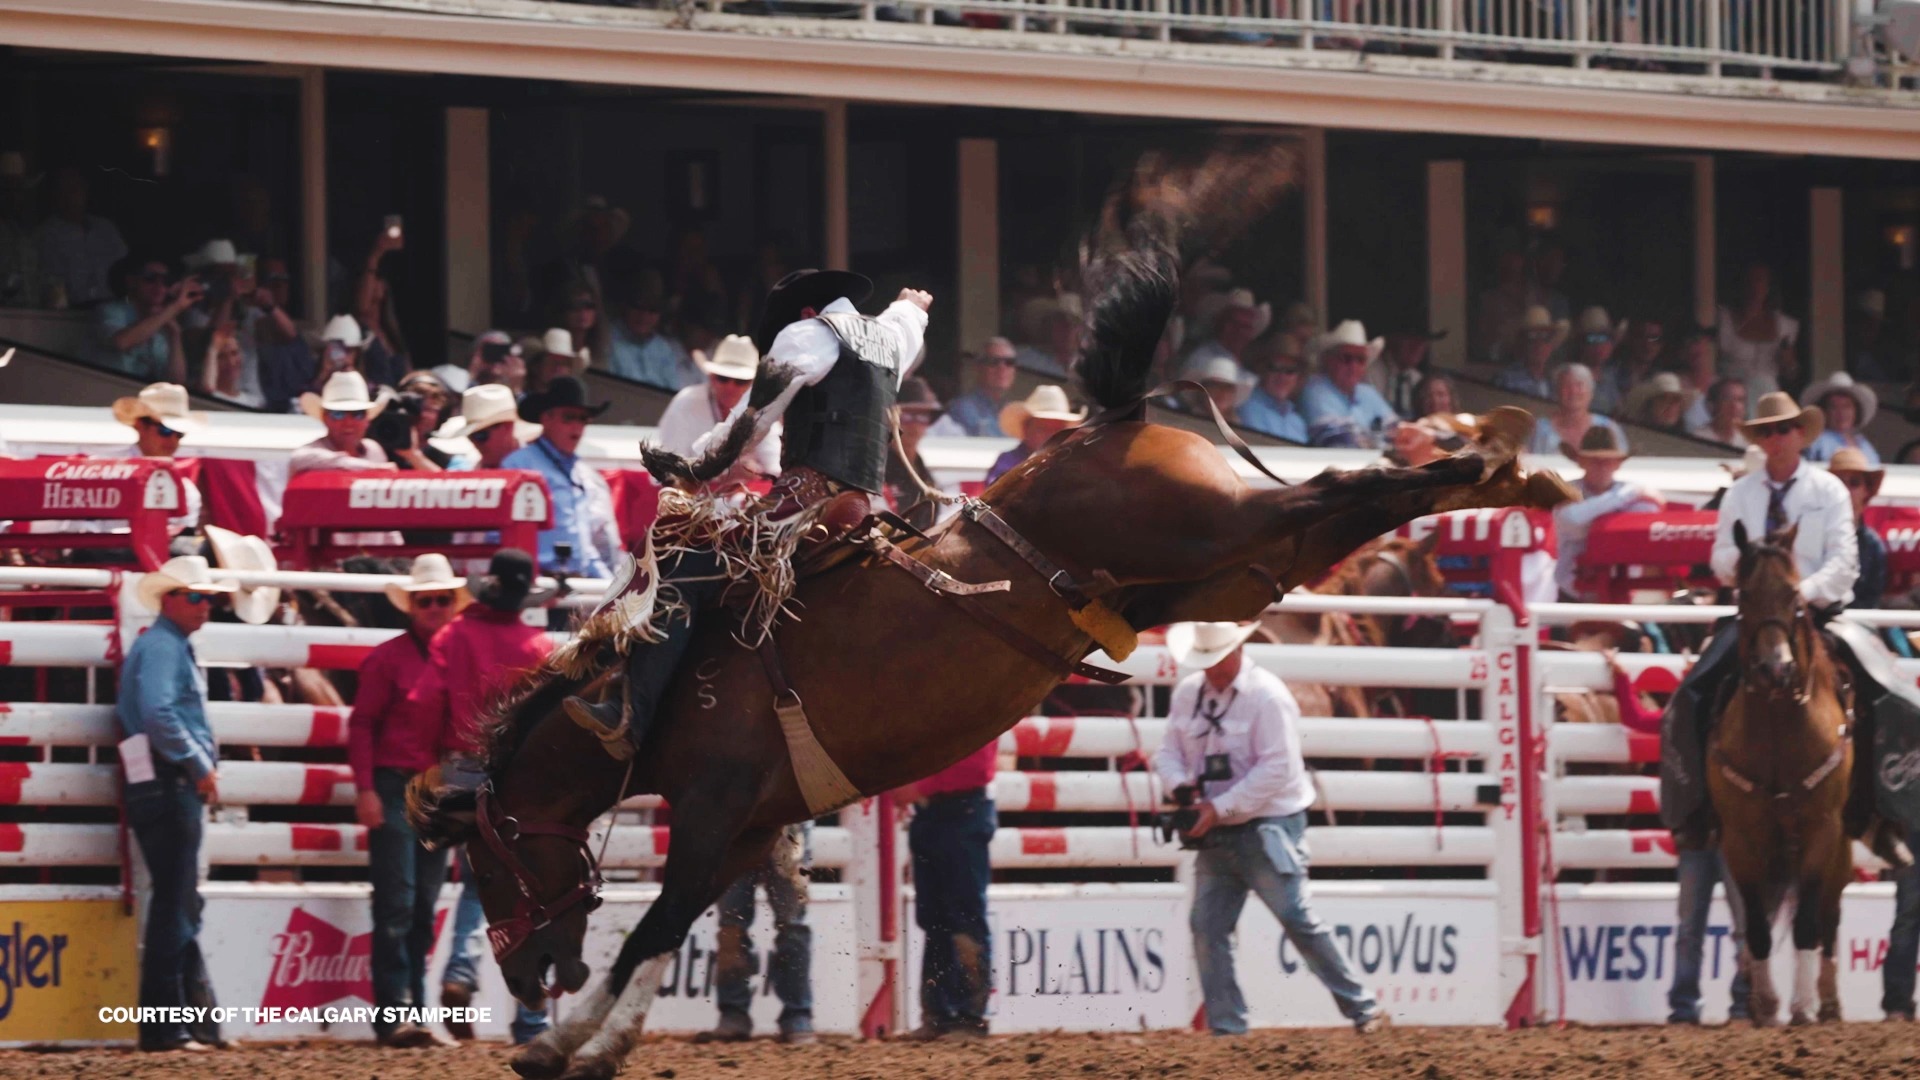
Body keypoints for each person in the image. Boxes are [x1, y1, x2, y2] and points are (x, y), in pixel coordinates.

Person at [564, 268, 929, 746]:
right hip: (863, 508)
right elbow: (906, 320)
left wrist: (691, 468)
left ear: (805, 312)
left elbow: (750, 424)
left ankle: (630, 716)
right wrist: (911, 307)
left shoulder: (808, 333)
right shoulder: (891, 337)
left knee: (679, 565)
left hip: (807, 504)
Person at [1151, 621, 1387, 1036]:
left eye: (1215, 658)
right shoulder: (1190, 694)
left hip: (1266, 825)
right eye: (1204, 660)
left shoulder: (1267, 696)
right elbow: (1168, 752)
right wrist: (1181, 786)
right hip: (1221, 827)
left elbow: (1278, 769)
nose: (1210, 668)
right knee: (1208, 927)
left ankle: (1363, 1009)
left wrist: (1216, 807)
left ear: (1237, 651)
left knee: (1295, 917)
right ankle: (1228, 1029)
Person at [435, 548, 556, 1044]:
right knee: (536, 890)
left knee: (476, 882)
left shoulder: (454, 637)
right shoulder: (539, 648)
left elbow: (434, 700)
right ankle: (532, 1017)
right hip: (520, 774)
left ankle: (461, 969)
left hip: (462, 765)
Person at [118, 556, 236, 1052]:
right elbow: (160, 713)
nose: (205, 605)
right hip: (168, 783)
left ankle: (193, 1022)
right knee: (176, 902)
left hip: (157, 780)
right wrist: (197, 763)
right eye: (195, 596)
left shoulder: (163, 644)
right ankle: (167, 1026)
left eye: (208, 597)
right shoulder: (167, 647)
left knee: (178, 900)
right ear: (169, 599)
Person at [349, 555, 462, 1049]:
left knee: (422, 905)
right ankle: (396, 1011)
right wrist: (366, 789)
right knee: (399, 903)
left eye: (441, 600)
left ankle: (413, 1009)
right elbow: (362, 725)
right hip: (396, 787)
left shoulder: (452, 659)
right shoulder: (388, 659)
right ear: (412, 606)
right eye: (425, 601)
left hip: (434, 791)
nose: (434, 607)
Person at [895, 739, 999, 1042]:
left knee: (958, 916)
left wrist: (918, 786)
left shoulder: (976, 715)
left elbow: (975, 767)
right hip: (949, 811)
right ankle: (947, 1015)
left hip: (954, 810)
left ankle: (964, 1017)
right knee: (940, 917)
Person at [697, 823, 816, 1046]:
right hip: (742, 824)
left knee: (788, 924)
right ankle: (793, 1015)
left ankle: (743, 1013)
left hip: (770, 823)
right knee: (735, 926)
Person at [501, 375, 620, 581]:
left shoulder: (584, 474)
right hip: (536, 583)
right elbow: (499, 535)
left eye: (583, 419)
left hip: (579, 583)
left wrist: (612, 587)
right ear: (546, 418)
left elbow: (585, 546)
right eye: (569, 417)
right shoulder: (518, 465)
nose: (577, 426)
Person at [1552, 427, 1664, 600]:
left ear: (1618, 464)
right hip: (1571, 594)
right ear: (1580, 462)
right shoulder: (1565, 491)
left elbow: (1641, 526)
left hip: (1621, 593)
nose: (1602, 466)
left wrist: (1597, 516)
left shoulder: (1635, 494)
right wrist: (1626, 495)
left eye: (1608, 461)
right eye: (1594, 460)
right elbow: (1573, 520)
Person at [654, 335, 779, 479]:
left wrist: (756, 471)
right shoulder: (686, 402)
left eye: (740, 381)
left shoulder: (760, 409)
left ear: (753, 384)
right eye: (723, 378)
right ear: (712, 377)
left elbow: (774, 464)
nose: (730, 387)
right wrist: (726, 474)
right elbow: (669, 469)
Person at [109, 382, 207, 534]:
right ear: (140, 425)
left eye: (180, 434)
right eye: (165, 430)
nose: (173, 440)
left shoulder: (186, 490)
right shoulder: (107, 470)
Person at [35, 165, 126, 307]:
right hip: (71, 312)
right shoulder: (46, 234)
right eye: (62, 190)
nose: (69, 196)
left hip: (112, 307)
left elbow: (125, 268)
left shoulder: (106, 229)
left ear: (85, 191)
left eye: (74, 189)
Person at [1301, 320, 1399, 449]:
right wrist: (1379, 440)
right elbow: (1341, 444)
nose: (1354, 366)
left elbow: (1400, 436)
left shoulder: (1367, 392)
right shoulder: (1314, 390)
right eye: (1346, 358)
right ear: (1327, 360)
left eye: (1360, 360)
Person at [95, 256, 195, 381]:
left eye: (166, 281)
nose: (159, 285)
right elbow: (121, 342)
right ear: (131, 281)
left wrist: (175, 334)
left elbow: (176, 381)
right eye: (150, 278)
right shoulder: (110, 310)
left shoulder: (160, 327)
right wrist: (175, 307)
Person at [291, 371, 403, 475]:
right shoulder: (308, 453)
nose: (348, 422)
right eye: (338, 414)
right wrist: (371, 468)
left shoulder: (373, 450)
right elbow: (299, 459)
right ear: (325, 418)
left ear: (367, 420)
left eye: (358, 414)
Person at [1720, 262, 1800, 403]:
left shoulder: (1784, 325)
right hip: (1732, 396)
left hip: (1767, 396)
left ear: (1768, 287)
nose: (1754, 287)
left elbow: (1791, 373)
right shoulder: (1724, 319)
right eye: (1750, 281)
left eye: (1760, 281)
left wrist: (1788, 362)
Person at [608, 271, 696, 389]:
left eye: (652, 310)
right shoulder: (607, 340)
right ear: (625, 306)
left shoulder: (663, 349)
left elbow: (672, 391)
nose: (644, 316)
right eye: (638, 307)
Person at [987, 384, 1086, 484]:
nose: (1051, 435)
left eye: (1057, 430)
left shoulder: (1073, 464)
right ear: (1026, 429)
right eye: (1043, 429)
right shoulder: (1007, 463)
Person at [884, 377, 946, 531]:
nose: (915, 425)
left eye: (922, 416)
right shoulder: (878, 468)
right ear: (891, 418)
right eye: (907, 416)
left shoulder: (925, 474)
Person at [1529, 363, 1626, 456]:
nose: (1573, 391)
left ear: (1591, 393)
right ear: (1557, 393)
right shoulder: (1541, 429)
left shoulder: (1608, 428)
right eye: (1566, 385)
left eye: (1579, 385)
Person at [1180, 288, 1269, 384]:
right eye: (1235, 323)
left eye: (1246, 326)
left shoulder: (1244, 364)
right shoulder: (1204, 358)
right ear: (1220, 323)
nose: (1240, 331)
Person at [440, 383, 531, 470]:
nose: (475, 443)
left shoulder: (534, 464)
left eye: (480, 436)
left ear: (508, 427)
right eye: (470, 437)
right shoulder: (469, 468)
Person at [943, 337, 1019, 437]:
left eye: (1009, 362)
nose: (1002, 367)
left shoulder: (1017, 413)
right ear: (978, 367)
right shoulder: (961, 409)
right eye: (994, 361)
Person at [1236, 337, 1307, 443]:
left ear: (1298, 377)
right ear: (1262, 371)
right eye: (1274, 368)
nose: (1282, 376)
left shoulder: (1297, 422)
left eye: (1290, 371)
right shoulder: (1248, 409)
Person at [1802, 372, 1881, 465]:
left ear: (1856, 411)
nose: (1841, 412)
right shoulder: (1817, 441)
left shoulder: (1864, 443)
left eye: (1846, 406)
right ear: (1824, 412)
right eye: (1833, 407)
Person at [1492, 305, 1567, 399]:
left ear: (1551, 345)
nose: (1539, 344)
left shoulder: (1554, 383)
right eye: (1532, 337)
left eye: (1546, 337)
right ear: (1522, 343)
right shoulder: (1506, 380)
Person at [1367, 330, 1437, 419]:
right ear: (1395, 340)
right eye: (1412, 342)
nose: (1417, 348)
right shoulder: (1371, 373)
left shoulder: (1417, 379)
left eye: (1422, 343)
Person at [1570, 306, 1626, 415]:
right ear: (1581, 343)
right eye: (1593, 338)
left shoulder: (1610, 378)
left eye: (1605, 338)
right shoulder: (1570, 377)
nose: (1599, 345)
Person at [1688, 378, 1751, 449]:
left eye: (1740, 400)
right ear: (1713, 405)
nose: (1734, 406)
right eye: (1727, 399)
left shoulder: (1749, 441)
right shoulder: (1698, 438)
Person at [1190, 354, 1253, 424]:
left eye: (1228, 387)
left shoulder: (1239, 424)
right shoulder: (1187, 418)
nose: (1222, 392)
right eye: (1214, 386)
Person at [1621, 371, 1689, 431]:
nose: (1670, 405)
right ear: (1650, 404)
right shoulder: (1633, 431)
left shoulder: (1688, 439)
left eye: (1675, 399)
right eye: (1663, 398)